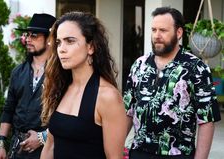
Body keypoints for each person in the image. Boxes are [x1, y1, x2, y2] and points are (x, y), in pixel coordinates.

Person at [123, 6, 221, 159]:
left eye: (163, 30)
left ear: (179, 32)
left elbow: (207, 119)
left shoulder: (197, 68)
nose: (157, 35)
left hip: (178, 154)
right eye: (154, 30)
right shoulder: (139, 65)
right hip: (139, 152)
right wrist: (116, 147)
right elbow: (128, 111)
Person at [40, 11, 128, 159]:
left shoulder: (107, 96)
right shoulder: (59, 87)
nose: (61, 48)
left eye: (70, 41)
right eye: (59, 42)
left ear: (91, 47)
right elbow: (50, 146)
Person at [0, 13, 56, 159]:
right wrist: (1, 145)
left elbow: (67, 116)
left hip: (47, 151)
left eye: (34, 35)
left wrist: (43, 137)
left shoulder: (61, 74)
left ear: (49, 39)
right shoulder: (18, 72)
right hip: (17, 150)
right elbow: (9, 109)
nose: (28, 39)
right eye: (27, 35)